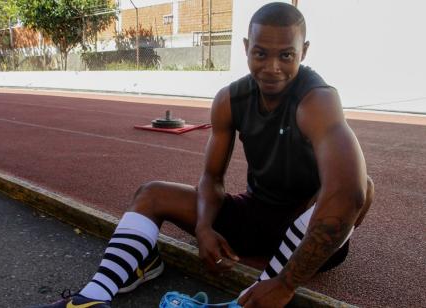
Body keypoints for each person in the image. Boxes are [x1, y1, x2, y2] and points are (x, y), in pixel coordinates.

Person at [34, 2, 374, 308]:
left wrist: (285, 285)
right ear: (245, 48)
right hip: (257, 214)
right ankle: (92, 298)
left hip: (307, 226)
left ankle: (260, 291)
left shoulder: (317, 100)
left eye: (286, 55)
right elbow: (212, 178)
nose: (272, 67)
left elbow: (349, 194)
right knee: (151, 194)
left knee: (361, 186)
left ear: (304, 51)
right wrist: (204, 227)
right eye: (260, 54)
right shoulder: (230, 98)